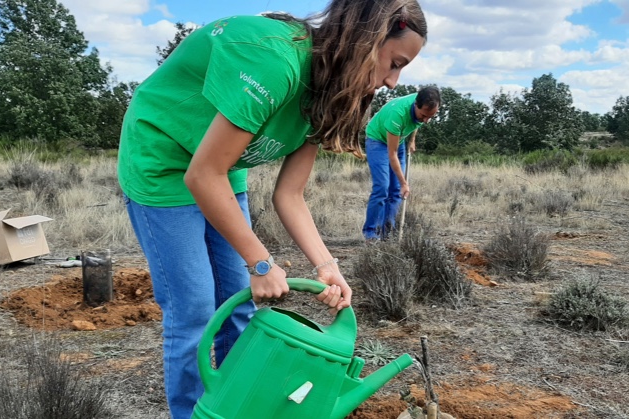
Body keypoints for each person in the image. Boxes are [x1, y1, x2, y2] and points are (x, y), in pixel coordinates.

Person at [116, 0, 428, 417]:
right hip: (162, 161)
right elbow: (201, 176)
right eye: (394, 62)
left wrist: (326, 265)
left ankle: (236, 406)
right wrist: (261, 263)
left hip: (220, 168)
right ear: (367, 38)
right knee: (193, 313)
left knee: (238, 303)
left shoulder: (330, 89)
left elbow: (289, 194)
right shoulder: (274, 60)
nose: (393, 81)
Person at [362, 86, 440, 242]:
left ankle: (388, 233)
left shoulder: (423, 107)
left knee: (396, 192)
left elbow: (416, 123)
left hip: (400, 140)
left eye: (430, 117)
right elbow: (392, 154)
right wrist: (404, 183)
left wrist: (412, 140)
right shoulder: (398, 114)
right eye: (424, 115)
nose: (426, 120)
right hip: (378, 140)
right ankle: (371, 233)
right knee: (383, 187)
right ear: (415, 105)